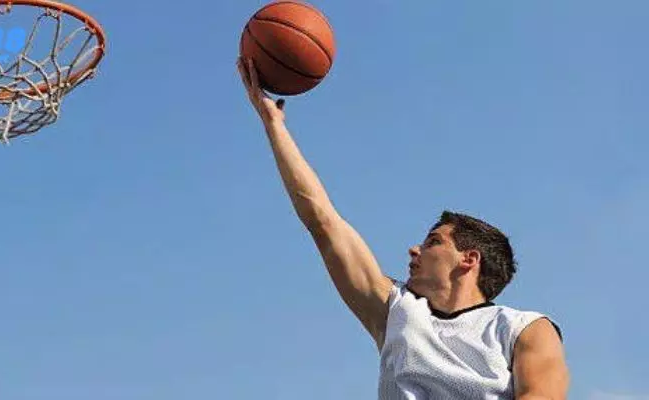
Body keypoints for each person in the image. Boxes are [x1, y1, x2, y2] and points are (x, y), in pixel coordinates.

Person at [237, 57, 570, 400]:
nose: (414, 249)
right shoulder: (398, 311)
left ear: (469, 259)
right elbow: (323, 222)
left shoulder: (523, 328)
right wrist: (273, 125)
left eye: (433, 242)